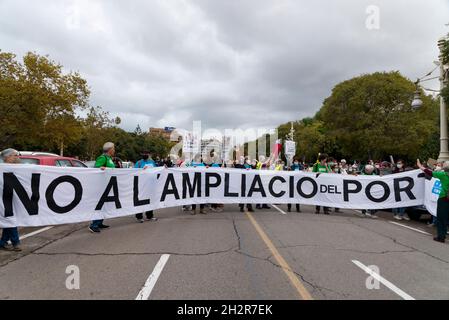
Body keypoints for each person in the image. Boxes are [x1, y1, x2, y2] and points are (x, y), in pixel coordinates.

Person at [417, 159, 449, 243]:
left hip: (444, 198)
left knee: (441, 218)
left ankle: (441, 237)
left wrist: (420, 166)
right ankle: (444, 234)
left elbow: (430, 173)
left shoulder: (443, 175)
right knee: (446, 218)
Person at [89, 142, 116, 233]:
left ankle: (100, 222)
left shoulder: (109, 158)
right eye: (113, 148)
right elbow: (96, 168)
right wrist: (101, 168)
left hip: (107, 184)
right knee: (100, 205)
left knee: (104, 205)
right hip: (101, 186)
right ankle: (94, 224)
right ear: (109, 150)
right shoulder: (102, 157)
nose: (114, 150)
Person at [0, 149, 22, 251]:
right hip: (4, 199)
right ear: (7, 157)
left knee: (8, 220)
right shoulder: (1, 168)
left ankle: (2, 242)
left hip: (13, 198)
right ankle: (15, 242)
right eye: (14, 155)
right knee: (10, 219)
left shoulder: (18, 168)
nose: (17, 157)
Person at [134, 151, 158, 223]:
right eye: (143, 154)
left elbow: (156, 170)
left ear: (148, 155)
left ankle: (149, 216)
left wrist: (164, 168)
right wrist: (142, 170)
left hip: (150, 185)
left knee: (150, 201)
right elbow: (134, 172)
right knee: (140, 201)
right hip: (141, 185)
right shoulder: (138, 163)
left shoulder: (152, 162)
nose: (145, 155)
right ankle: (139, 217)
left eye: (146, 154)